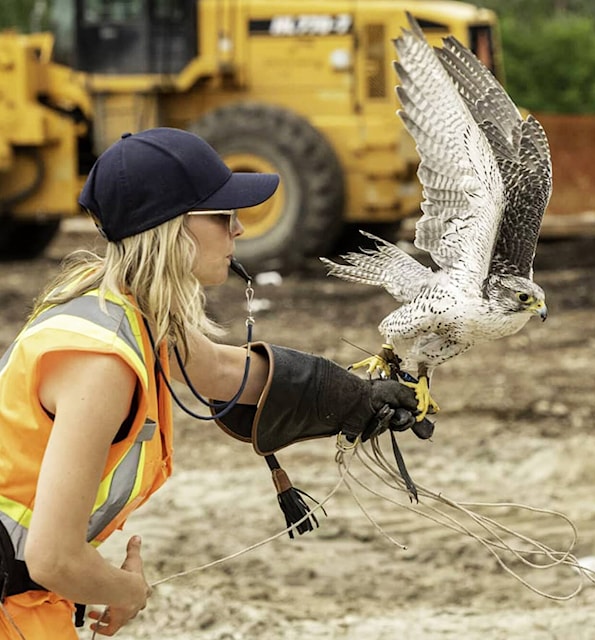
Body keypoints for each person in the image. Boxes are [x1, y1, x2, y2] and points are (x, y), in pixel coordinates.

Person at [0, 128, 421, 638]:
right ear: (170, 229)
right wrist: (125, 591)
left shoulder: (127, 310)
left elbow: (221, 372)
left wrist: (356, 396)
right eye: (222, 216)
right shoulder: (102, 363)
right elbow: (52, 557)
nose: (239, 229)